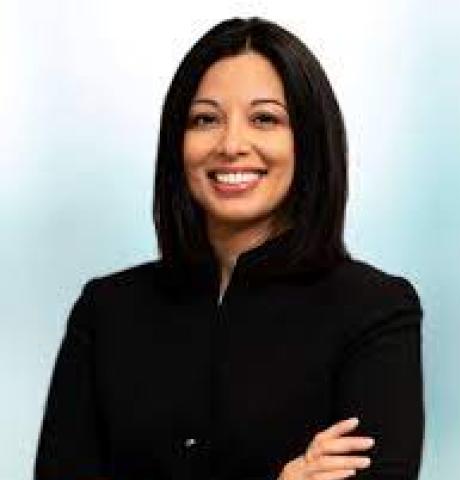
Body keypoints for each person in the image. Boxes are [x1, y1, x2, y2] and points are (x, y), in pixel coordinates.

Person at [34, 16, 425, 480]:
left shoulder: (375, 312)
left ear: (310, 139)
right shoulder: (106, 311)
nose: (232, 144)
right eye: (205, 119)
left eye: (265, 119)